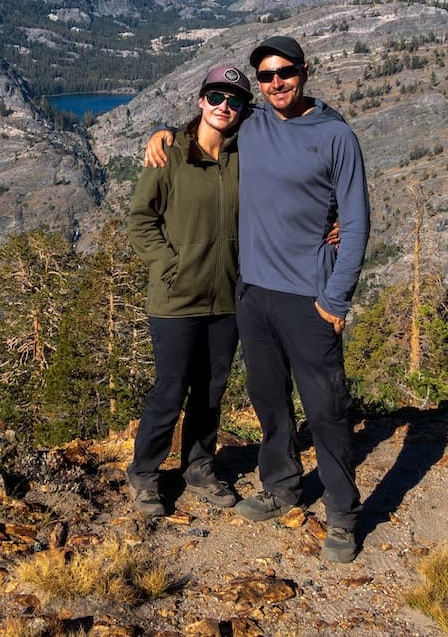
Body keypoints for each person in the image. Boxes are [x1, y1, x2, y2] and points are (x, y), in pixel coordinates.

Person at [146, 36, 370, 562]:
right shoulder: (252, 123)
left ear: (305, 72)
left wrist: (336, 299)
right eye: (266, 76)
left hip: (309, 297)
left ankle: (343, 513)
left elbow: (356, 222)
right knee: (270, 400)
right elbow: (209, 127)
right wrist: (162, 135)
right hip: (253, 293)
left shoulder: (335, 135)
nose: (275, 83)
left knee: (326, 407)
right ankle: (283, 486)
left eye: (285, 73)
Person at [125, 64, 251, 517]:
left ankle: (198, 466)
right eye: (216, 97)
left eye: (234, 101)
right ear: (200, 100)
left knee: (212, 388)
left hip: (228, 297)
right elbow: (141, 220)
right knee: (171, 387)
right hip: (176, 298)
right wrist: (169, 265)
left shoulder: (246, 154)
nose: (224, 107)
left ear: (243, 110)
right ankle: (144, 473)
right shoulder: (170, 154)